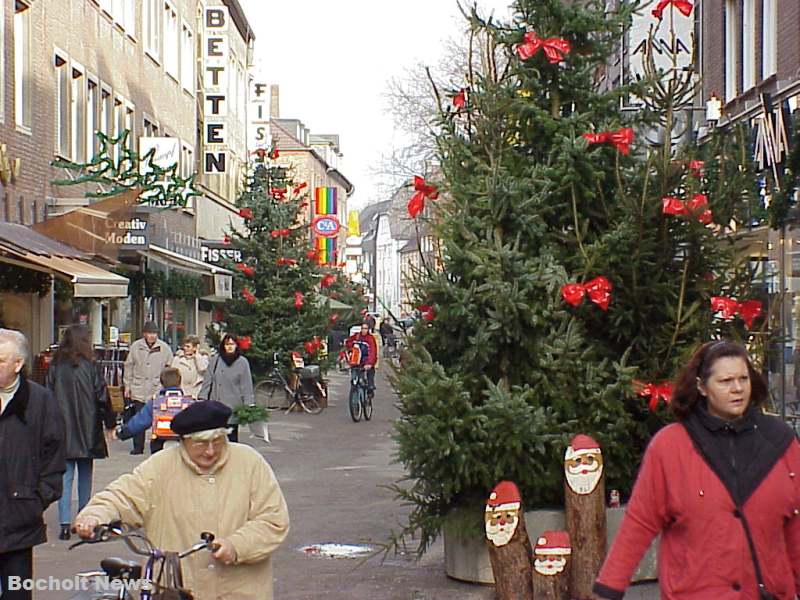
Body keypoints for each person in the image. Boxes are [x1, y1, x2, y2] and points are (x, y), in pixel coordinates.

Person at [593, 340, 800, 600]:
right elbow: (640, 522)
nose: (737, 389)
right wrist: (608, 589)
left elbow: (795, 524)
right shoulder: (670, 447)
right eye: (725, 381)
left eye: (743, 379)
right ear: (702, 386)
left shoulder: (780, 441)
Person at [74, 401, 290, 600]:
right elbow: (123, 496)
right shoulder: (160, 466)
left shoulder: (249, 463)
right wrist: (94, 515)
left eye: (217, 441)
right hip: (176, 588)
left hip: (240, 590)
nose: (210, 451)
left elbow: (273, 520)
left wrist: (236, 545)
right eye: (200, 444)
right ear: (183, 441)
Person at [0, 329, 66, 600]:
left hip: (19, 520)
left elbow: (54, 453)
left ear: (18, 365)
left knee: (17, 594)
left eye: (0, 361)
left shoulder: (40, 401)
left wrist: (36, 499)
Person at [46, 324, 115, 541]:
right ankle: (85, 520)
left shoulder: (56, 366)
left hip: (62, 429)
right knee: (86, 477)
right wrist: (110, 423)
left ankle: (65, 524)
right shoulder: (91, 366)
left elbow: (47, 396)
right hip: (88, 429)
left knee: (65, 477)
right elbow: (102, 397)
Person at [116, 367, 194, 454]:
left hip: (159, 442)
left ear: (162, 383)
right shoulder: (189, 402)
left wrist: (123, 432)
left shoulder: (156, 402)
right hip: (183, 443)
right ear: (179, 382)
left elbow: (141, 421)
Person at [123, 321, 173, 455]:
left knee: (157, 419)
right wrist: (127, 386)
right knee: (139, 418)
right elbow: (128, 367)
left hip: (157, 388)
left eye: (154, 333)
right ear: (144, 334)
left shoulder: (164, 348)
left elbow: (169, 368)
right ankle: (137, 447)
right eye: (149, 333)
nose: (152, 336)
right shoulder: (136, 347)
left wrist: (166, 386)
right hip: (139, 387)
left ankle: (156, 446)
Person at [198, 334, 254, 443]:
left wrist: (249, 404)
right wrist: (202, 399)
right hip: (215, 405)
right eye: (227, 344)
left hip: (233, 407)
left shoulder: (242, 362)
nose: (229, 347)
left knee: (231, 439)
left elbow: (246, 385)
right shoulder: (215, 360)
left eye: (232, 344)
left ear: (237, 346)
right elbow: (207, 381)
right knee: (215, 437)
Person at [345, 322, 377, 398]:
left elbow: (373, 351)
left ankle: (370, 388)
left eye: (365, 328)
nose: (363, 330)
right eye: (362, 328)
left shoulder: (370, 339)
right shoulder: (357, 336)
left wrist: (369, 363)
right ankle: (354, 399)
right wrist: (350, 346)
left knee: (369, 373)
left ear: (368, 329)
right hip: (356, 362)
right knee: (354, 380)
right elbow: (348, 343)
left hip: (365, 362)